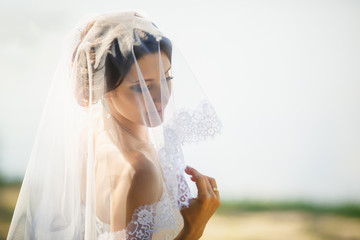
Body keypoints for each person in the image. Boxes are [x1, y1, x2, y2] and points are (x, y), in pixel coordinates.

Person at [7, 10, 222, 240]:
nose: (161, 98)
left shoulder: (87, 131)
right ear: (104, 88)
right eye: (143, 86)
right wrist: (193, 228)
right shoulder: (140, 170)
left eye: (167, 78)